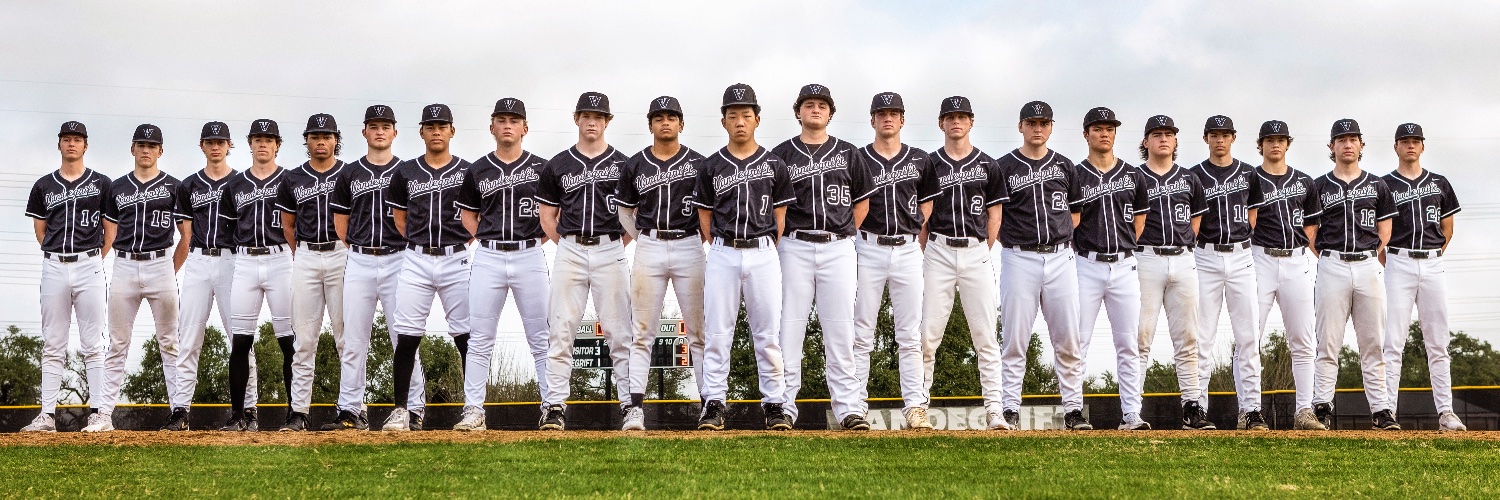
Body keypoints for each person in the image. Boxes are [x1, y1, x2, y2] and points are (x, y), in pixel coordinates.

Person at [692, 83, 794, 431]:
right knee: (718, 331)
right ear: (723, 121)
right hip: (722, 251)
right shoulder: (711, 166)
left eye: (746, 115)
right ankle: (714, 402)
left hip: (763, 252)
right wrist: (720, 246)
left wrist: (765, 245)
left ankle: (775, 404)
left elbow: (780, 217)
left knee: (767, 334)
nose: (739, 121)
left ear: (757, 119)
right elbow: (705, 218)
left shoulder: (775, 164)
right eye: (732, 115)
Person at [770, 84, 872, 430]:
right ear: (798, 111)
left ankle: (848, 408)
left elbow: (862, 202)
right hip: (794, 245)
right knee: (789, 329)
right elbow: (772, 206)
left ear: (830, 113)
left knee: (841, 330)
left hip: (838, 245)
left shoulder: (848, 153)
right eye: (809, 104)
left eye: (822, 105)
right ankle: (783, 407)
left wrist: (842, 233)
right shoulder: (781, 154)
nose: (816, 109)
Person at [535, 92, 635, 431]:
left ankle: (629, 405)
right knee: (561, 330)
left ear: (607, 121)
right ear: (576, 118)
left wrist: (613, 245)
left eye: (598, 115)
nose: (592, 121)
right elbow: (547, 215)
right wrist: (567, 245)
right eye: (586, 114)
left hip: (610, 247)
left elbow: (631, 217)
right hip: (570, 248)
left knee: (620, 333)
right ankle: (554, 407)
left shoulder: (624, 164)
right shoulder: (558, 165)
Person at [451, 98, 551, 431]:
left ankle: (552, 407)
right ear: (491, 126)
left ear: (525, 127)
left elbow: (554, 215)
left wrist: (535, 240)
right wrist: (489, 239)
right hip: (489, 255)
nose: (508, 125)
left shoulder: (542, 168)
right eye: (501, 119)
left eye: (514, 120)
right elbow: (467, 215)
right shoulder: (477, 169)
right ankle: (473, 410)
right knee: (479, 338)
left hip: (529, 253)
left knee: (541, 337)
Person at [324, 105, 424, 431]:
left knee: (405, 338)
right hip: (360, 259)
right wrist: (358, 249)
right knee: (353, 338)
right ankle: (350, 411)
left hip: (400, 258)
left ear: (395, 132)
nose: (380, 131)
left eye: (386, 126)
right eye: (373, 126)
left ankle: (413, 410)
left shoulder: (408, 172)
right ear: (364, 132)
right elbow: (341, 223)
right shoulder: (349, 174)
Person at [994, 101, 1090, 430]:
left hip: (1061, 256)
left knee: (1067, 339)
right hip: (1019, 256)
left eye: (1044, 122)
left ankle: (1074, 409)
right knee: (1015, 338)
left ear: (1051, 127)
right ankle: (1009, 407)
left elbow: (1074, 216)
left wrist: (1058, 242)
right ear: (1020, 126)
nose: (1038, 128)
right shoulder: (1004, 166)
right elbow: (996, 214)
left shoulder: (1065, 166)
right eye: (1031, 122)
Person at [615, 96, 707, 431]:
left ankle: (708, 404)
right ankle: (635, 407)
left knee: (698, 331)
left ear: (681, 124)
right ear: (650, 124)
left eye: (671, 117)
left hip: (689, 244)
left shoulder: (700, 163)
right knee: (642, 332)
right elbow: (625, 211)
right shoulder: (635, 164)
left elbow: (707, 210)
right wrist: (642, 238)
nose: (665, 122)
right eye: (658, 117)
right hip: (650, 245)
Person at [915, 96, 1007, 429]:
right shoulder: (929, 163)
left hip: (976, 250)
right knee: (927, 334)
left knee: (985, 335)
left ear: (971, 122)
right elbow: (923, 213)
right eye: (950, 116)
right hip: (938, 248)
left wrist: (983, 246)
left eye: (962, 116)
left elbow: (995, 212)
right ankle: (919, 405)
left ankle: (995, 408)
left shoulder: (988, 164)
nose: (956, 122)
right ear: (941, 123)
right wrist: (928, 248)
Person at [382, 104, 473, 432]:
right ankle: (401, 409)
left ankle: (473, 408)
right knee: (406, 335)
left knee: (465, 334)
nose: (436, 131)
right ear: (421, 131)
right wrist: (420, 244)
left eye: (442, 125)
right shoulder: (405, 171)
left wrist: (460, 244)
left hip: (456, 257)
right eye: (430, 125)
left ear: (452, 130)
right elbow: (400, 218)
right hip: (416, 258)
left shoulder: (467, 171)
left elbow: (474, 217)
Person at [19, 121, 113, 433]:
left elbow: (110, 229)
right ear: (58, 144)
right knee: (53, 342)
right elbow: (40, 230)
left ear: (86, 145)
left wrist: (95, 258)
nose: (71, 144)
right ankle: (47, 415)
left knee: (93, 343)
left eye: (77, 139)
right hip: (55, 264)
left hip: (90, 263)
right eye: (66, 139)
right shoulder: (44, 185)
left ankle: (100, 414)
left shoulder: (101, 183)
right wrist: (58, 255)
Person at [1308, 119, 1399, 431]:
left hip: (1367, 264)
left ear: (1361, 145)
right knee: (1327, 342)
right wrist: (1330, 258)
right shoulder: (1318, 186)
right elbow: (1311, 232)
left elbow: (1385, 230)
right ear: (1332, 146)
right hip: (1332, 263)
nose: (1347, 144)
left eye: (1353, 139)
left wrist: (1369, 255)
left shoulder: (1377, 185)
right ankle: (1321, 405)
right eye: (1341, 139)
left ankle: (1382, 410)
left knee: (1373, 342)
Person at [99, 124, 190, 432]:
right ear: (132, 148)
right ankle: (103, 415)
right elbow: (109, 233)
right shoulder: (117, 187)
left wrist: (167, 269)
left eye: (152, 145)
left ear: (160, 151)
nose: (146, 149)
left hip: (160, 263)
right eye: (141, 144)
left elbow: (186, 236)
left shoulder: (175, 187)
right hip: (124, 264)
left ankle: (179, 413)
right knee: (117, 343)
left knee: (170, 343)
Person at [852, 92, 935, 429]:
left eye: (894, 113)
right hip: (868, 246)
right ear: (872, 119)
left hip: (906, 248)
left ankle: (915, 406)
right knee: (860, 333)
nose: (887, 118)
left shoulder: (920, 159)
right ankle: (854, 405)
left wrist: (913, 229)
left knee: (910, 335)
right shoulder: (858, 158)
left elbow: (926, 205)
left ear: (902, 119)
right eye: (881, 113)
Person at [1380, 122, 1466, 432]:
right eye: (1405, 140)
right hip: (1398, 262)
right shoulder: (1384, 184)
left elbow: (1448, 229)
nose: (1410, 145)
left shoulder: (1440, 182)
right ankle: (1386, 412)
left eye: (1415, 140)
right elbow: (1381, 234)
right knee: (1392, 342)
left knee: (1438, 343)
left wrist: (1432, 254)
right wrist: (1390, 259)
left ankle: (1446, 412)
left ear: (1423, 146)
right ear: (1396, 147)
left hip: (1432, 263)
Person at [1069, 108, 1150, 430]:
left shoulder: (1133, 175)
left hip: (1125, 263)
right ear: (1086, 134)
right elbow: (1071, 221)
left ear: (1115, 134)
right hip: (1085, 263)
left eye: (1109, 128)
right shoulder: (1075, 175)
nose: (1104, 133)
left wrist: (1122, 247)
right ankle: (1074, 410)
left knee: (1129, 343)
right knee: (1078, 341)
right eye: (1097, 128)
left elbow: (1139, 222)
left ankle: (1131, 413)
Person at [174, 121, 257, 429]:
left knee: (240, 338)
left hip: (232, 260)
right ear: (202, 145)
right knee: (189, 338)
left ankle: (248, 409)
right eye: (210, 141)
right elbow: (186, 232)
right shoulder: (189, 185)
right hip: (198, 259)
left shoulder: (242, 182)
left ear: (229, 145)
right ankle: (180, 409)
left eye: (221, 141)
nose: (215, 146)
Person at [1135, 115, 1214, 430]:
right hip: (1146, 258)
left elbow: (1195, 224)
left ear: (1176, 141)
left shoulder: (1189, 178)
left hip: (1183, 259)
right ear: (1146, 142)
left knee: (1188, 338)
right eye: (1156, 134)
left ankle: (1192, 407)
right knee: (1140, 336)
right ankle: (1132, 407)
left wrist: (1183, 247)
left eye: (1169, 134)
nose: (1163, 139)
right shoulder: (1134, 176)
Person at [1246, 120, 1324, 430]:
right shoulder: (1251, 178)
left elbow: (1311, 228)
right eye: (1269, 139)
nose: (1275, 144)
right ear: (1260, 144)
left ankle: (1305, 411)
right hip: (1260, 258)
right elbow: (1248, 223)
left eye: (1280, 139)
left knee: (1303, 340)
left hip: (1295, 260)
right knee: (1250, 338)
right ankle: (1249, 410)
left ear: (1288, 143)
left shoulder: (1304, 181)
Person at [1189, 115, 1265, 430]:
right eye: (1214, 134)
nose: (1220, 140)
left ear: (1233, 138)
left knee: (1249, 338)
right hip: (1205, 255)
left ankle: (1251, 410)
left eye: (1225, 134)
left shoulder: (1249, 174)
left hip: (1241, 256)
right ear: (1206, 138)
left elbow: (1253, 218)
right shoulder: (1193, 175)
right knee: (1201, 337)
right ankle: (1198, 409)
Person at [273, 113, 348, 431]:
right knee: (304, 340)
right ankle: (299, 413)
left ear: (336, 140)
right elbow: (288, 225)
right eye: (315, 135)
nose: (321, 141)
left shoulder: (350, 173)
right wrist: (300, 253)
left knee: (347, 337)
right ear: (306, 140)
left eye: (326, 135)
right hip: (305, 255)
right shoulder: (292, 178)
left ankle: (350, 411)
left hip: (342, 254)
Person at [220, 119, 294, 432]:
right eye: (257, 138)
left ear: (278, 144)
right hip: (246, 261)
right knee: (240, 341)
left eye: (269, 139)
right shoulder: (235, 185)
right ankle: (239, 415)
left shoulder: (291, 180)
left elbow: (299, 223)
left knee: (290, 341)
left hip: (281, 260)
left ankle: (296, 415)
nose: (263, 144)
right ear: (249, 143)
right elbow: (226, 228)